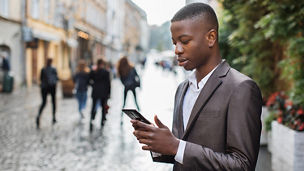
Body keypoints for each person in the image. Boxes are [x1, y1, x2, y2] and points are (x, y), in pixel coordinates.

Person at [131, 3, 263, 171]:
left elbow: (242, 165)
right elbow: (180, 156)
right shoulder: (182, 89)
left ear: (211, 37)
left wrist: (176, 146)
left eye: (184, 41)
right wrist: (158, 142)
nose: (177, 50)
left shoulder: (241, 88)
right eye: (174, 43)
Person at [36, 58, 58, 129]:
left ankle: (39, 115)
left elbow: (41, 79)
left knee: (44, 102)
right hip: (52, 87)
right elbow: (56, 78)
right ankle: (54, 117)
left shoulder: (43, 69)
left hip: (44, 87)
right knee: (53, 102)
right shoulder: (54, 69)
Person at [89, 58, 111, 131]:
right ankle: (102, 121)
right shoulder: (106, 72)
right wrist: (109, 93)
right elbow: (108, 84)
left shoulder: (93, 71)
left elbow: (89, 80)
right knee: (103, 107)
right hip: (103, 92)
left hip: (95, 92)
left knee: (94, 107)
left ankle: (92, 119)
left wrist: (93, 85)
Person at [117, 56, 141, 122]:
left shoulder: (121, 68)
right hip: (132, 86)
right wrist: (139, 84)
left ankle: (121, 114)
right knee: (135, 100)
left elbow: (121, 79)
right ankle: (139, 112)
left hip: (126, 86)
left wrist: (124, 83)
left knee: (124, 101)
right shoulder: (132, 67)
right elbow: (137, 76)